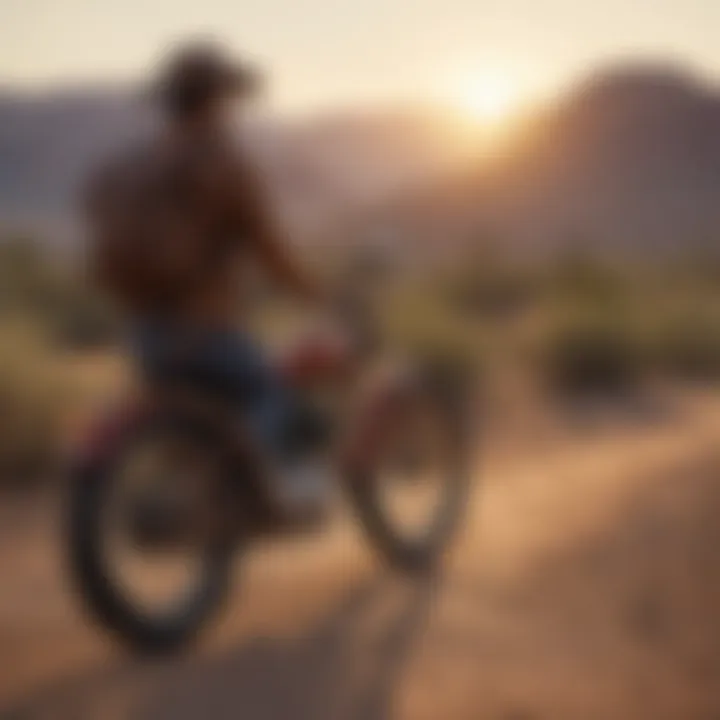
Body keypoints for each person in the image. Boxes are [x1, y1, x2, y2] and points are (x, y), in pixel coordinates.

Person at [84, 40, 328, 514]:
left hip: (144, 336)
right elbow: (268, 249)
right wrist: (311, 292)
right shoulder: (223, 163)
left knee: (222, 400)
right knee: (272, 390)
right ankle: (281, 491)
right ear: (218, 100)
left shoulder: (142, 164)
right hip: (204, 335)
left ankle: (213, 489)